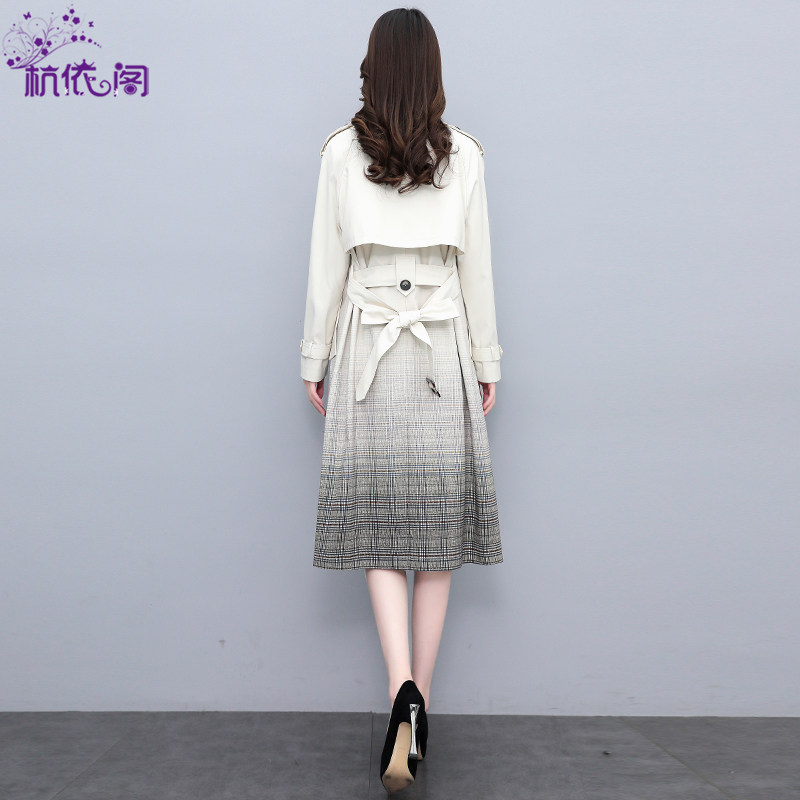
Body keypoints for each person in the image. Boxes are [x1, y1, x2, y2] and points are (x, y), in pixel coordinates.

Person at [299, 7, 504, 794]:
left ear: (374, 69)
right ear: (433, 73)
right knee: (437, 536)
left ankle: (400, 690)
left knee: (381, 529)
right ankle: (423, 702)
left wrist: (314, 358)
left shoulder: (338, 153)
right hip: (443, 344)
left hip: (367, 345)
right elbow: (476, 268)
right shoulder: (468, 156)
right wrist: (487, 361)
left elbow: (327, 266)